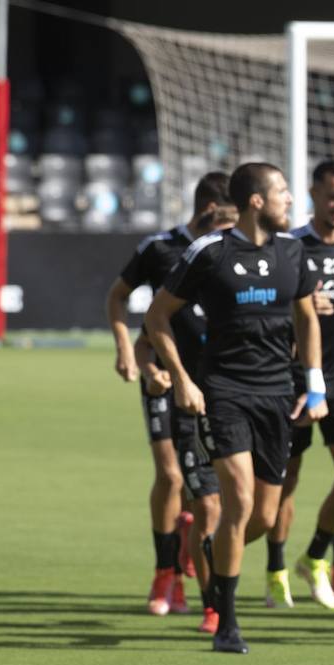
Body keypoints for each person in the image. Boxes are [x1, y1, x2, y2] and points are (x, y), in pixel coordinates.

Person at [144, 162, 326, 654]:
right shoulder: (208, 251)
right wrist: (182, 379)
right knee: (239, 501)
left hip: (277, 396)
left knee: (263, 518)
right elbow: (157, 315)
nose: (291, 200)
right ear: (257, 202)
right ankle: (226, 622)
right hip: (223, 392)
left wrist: (315, 386)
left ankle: (209, 548)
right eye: (284, 192)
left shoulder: (294, 251)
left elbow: (308, 319)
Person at [106, 172, 235, 617]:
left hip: (213, 385)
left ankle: (189, 546)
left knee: (206, 492)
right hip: (162, 375)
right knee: (171, 475)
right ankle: (166, 574)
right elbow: (118, 297)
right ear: (207, 213)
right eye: (225, 222)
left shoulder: (232, 254)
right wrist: (128, 350)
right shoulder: (161, 249)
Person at [265, 159, 334, 610]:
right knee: (286, 480)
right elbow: (270, 310)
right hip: (293, 378)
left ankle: (314, 556)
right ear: (313, 194)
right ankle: (275, 570)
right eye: (332, 197)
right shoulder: (290, 247)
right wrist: (302, 309)